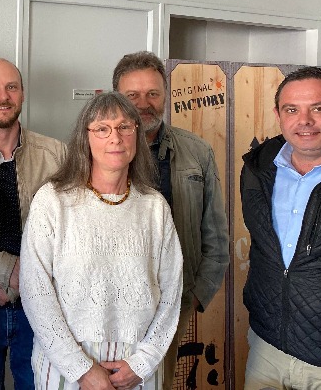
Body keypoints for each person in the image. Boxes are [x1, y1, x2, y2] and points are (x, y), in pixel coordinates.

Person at [20, 91, 183, 390]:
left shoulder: (154, 207)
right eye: (102, 129)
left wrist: (142, 363)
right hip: (66, 366)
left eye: (124, 127)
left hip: (137, 367)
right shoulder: (53, 201)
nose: (115, 138)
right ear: (85, 137)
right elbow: (35, 291)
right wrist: (81, 369)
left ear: (137, 134)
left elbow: (172, 292)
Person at [112, 51, 229, 389]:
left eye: (153, 93)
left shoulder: (198, 152)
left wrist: (195, 297)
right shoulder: (94, 152)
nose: (143, 103)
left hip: (175, 303)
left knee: (158, 382)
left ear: (165, 95)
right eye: (132, 95)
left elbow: (217, 237)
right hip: (110, 304)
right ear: (117, 97)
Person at [240, 66, 321, 389]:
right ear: (278, 115)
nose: (304, 121)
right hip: (267, 347)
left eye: (318, 108)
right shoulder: (258, 167)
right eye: (292, 109)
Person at [0, 58, 67, 389]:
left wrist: (15, 284)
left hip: (42, 305)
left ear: (22, 93)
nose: (2, 96)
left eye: (11, 87)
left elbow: (68, 236)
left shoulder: (57, 155)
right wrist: (8, 271)